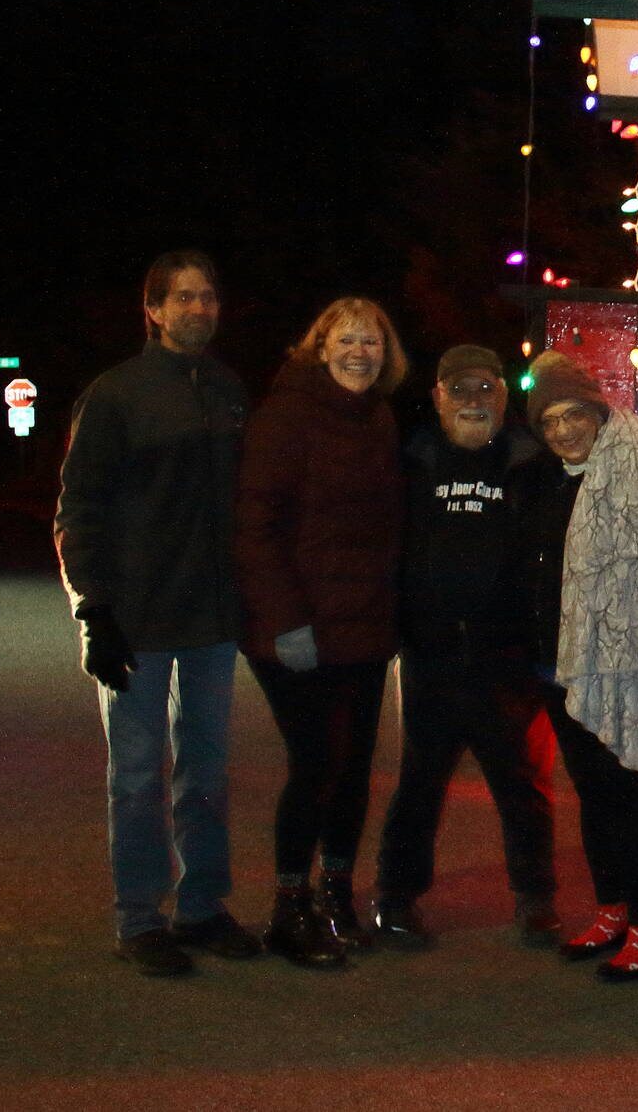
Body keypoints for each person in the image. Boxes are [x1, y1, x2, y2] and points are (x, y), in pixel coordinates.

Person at [56, 251, 259, 976]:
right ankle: (139, 918)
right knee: (137, 776)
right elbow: (78, 510)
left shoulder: (229, 391)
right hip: (136, 621)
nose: (199, 309)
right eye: (183, 298)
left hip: (210, 620)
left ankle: (201, 907)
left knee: (205, 772)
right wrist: (93, 612)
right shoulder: (116, 394)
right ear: (153, 310)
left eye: (208, 297)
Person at [509, 351, 638, 983]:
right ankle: (611, 911)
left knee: (622, 796)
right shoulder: (540, 480)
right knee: (592, 795)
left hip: (621, 663)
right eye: (550, 421)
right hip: (558, 663)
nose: (564, 430)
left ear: (597, 411)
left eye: (574, 414)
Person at [236, 296, 407, 968]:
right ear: (320, 345)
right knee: (314, 764)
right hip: (298, 627)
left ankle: (336, 891)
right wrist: (286, 622)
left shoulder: (380, 417)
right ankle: (288, 906)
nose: (359, 352)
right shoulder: (285, 416)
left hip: (363, 625)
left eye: (372, 341)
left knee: (355, 766)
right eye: (347, 340)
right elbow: (255, 527)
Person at [370, 345, 557, 950]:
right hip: (431, 655)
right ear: (438, 397)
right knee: (420, 780)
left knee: (519, 782)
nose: (473, 400)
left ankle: (535, 897)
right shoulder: (411, 461)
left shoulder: (531, 461)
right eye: (459, 389)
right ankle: (395, 897)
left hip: (507, 656)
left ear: (504, 397)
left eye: (485, 388)